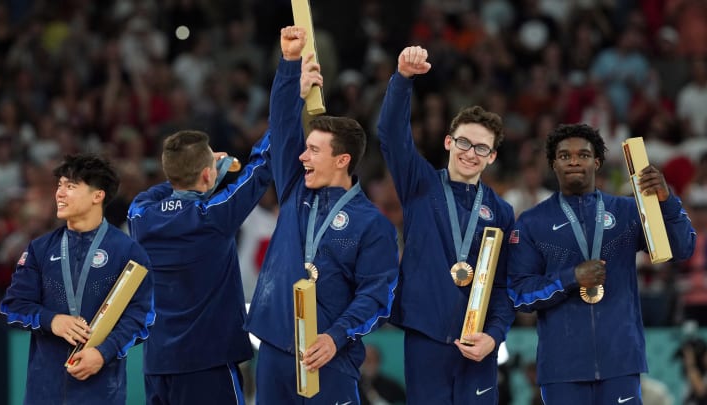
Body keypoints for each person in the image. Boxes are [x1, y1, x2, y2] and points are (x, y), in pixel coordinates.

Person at [244, 26, 399, 404]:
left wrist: (336, 336)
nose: (302, 156)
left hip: (328, 356)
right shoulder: (296, 188)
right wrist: (289, 64)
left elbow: (376, 295)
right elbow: (282, 128)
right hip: (275, 353)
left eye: (314, 150)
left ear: (342, 160)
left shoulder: (372, 224)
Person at [507, 123, 696, 404]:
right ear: (552, 164)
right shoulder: (532, 223)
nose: (573, 161)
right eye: (564, 156)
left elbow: (683, 248)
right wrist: (571, 278)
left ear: (597, 162)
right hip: (563, 370)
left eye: (583, 155)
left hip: (621, 362)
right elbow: (519, 294)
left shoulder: (628, 211)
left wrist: (667, 202)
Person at [377, 45, 515, 404]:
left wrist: (494, 336)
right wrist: (403, 79)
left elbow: (502, 285)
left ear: (492, 157)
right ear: (448, 142)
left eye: (481, 148)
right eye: (464, 143)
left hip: (477, 341)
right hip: (426, 336)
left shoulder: (500, 211)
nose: (471, 153)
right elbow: (392, 135)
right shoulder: (419, 183)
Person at [127, 129, 271, 405]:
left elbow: (162, 191)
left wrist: (194, 169)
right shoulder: (214, 216)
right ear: (207, 175)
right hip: (208, 363)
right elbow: (262, 167)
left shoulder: (140, 216)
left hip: (158, 364)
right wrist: (291, 100)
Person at [0, 154, 155, 405]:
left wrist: (103, 353)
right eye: (59, 185)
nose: (60, 193)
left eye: (70, 186)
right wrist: (53, 320)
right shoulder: (40, 249)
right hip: (44, 392)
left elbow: (141, 317)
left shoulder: (128, 252)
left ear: (98, 195)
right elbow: (14, 306)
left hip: (102, 392)